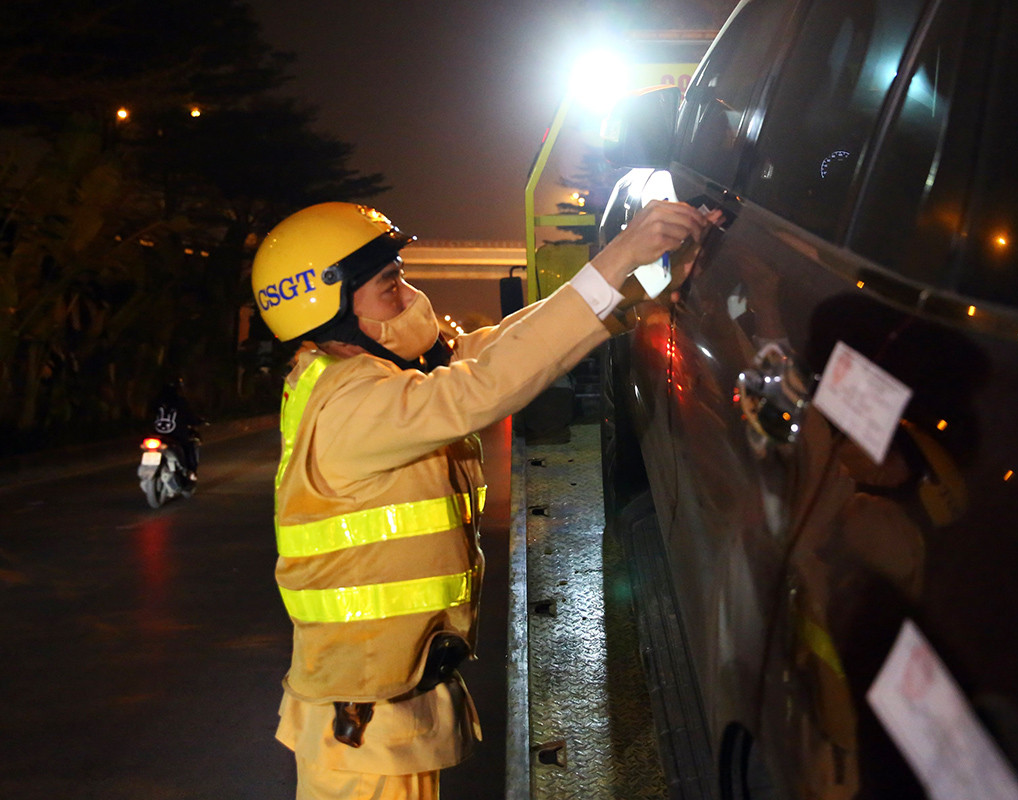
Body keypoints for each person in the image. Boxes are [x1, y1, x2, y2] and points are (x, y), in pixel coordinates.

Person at [250, 199, 717, 799]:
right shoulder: (351, 405)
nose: (408, 292)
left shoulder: (365, 375)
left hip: (383, 702)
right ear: (329, 301)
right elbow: (487, 385)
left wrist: (632, 289)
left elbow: (492, 350)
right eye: (390, 283)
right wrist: (618, 254)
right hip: (365, 721)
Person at [151, 378, 203, 479]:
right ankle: (190, 472)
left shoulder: (156, 401)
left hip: (156, 434)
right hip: (176, 435)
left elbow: (149, 415)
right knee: (189, 446)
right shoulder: (180, 402)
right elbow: (190, 417)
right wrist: (197, 421)